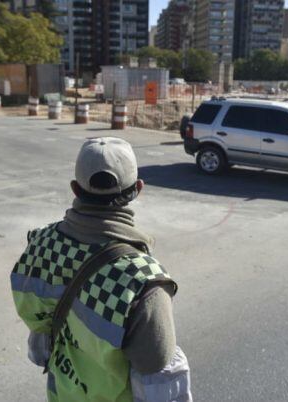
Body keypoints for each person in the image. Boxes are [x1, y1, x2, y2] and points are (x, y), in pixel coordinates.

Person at [11, 137, 191, 402]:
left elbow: (34, 317)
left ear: (75, 188)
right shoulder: (142, 280)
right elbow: (155, 362)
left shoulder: (41, 241)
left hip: (62, 392)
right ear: (137, 189)